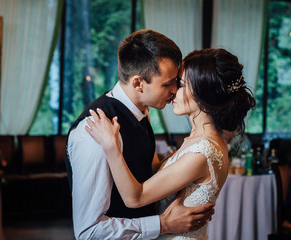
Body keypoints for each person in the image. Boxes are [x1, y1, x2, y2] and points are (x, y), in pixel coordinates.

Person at [85, 48, 256, 239]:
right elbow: (160, 175)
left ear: (203, 95)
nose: (173, 90)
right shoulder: (201, 141)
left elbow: (135, 198)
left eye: (181, 84)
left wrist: (111, 147)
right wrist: (143, 123)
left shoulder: (203, 151)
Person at [66, 30, 215, 239]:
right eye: (167, 83)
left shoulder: (142, 112)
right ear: (138, 83)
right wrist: (163, 224)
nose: (175, 90)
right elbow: (89, 232)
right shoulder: (95, 132)